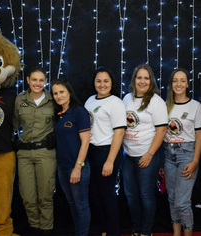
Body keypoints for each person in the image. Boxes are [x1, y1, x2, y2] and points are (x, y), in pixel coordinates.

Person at [122, 64, 168, 236]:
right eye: (139, 77)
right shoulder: (126, 99)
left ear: (151, 81)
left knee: (145, 195)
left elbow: (162, 130)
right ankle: (136, 228)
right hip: (128, 156)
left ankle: (146, 232)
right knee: (131, 196)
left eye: (146, 78)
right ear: (134, 80)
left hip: (148, 155)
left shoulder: (156, 102)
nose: (142, 81)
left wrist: (149, 155)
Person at [12, 67, 56, 236]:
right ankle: (34, 227)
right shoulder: (19, 100)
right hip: (24, 154)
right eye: (34, 80)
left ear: (45, 81)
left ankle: (46, 230)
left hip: (46, 152)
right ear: (28, 80)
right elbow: (14, 124)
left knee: (45, 196)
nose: (38, 83)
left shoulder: (53, 99)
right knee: (28, 197)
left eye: (41, 80)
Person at [163, 68, 201, 236]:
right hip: (168, 154)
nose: (178, 84)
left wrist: (195, 161)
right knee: (172, 199)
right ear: (171, 84)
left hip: (187, 154)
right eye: (175, 80)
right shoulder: (165, 106)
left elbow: (200, 135)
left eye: (182, 80)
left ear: (187, 84)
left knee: (182, 202)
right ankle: (176, 233)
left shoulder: (195, 106)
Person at [85, 66, 126, 236]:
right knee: (94, 194)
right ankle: (102, 229)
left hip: (107, 151)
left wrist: (110, 160)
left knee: (107, 194)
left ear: (111, 83)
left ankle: (113, 231)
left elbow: (120, 132)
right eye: (99, 81)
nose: (102, 84)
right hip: (91, 152)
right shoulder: (89, 101)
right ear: (94, 83)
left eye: (106, 81)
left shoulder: (115, 102)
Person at [51, 79, 91, 236]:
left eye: (62, 92)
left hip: (77, 167)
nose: (59, 95)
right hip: (62, 167)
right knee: (72, 204)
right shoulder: (59, 114)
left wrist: (77, 167)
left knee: (81, 206)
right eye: (55, 93)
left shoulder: (79, 112)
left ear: (69, 92)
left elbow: (86, 142)